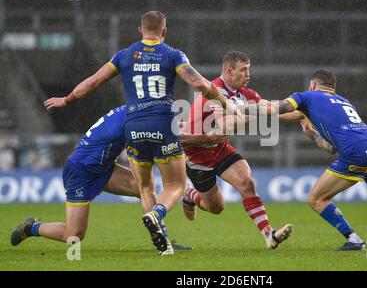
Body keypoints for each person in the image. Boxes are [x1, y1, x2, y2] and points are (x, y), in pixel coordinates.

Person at [44, 11, 231, 254]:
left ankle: (162, 242)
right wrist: (224, 102)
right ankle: (157, 215)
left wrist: (66, 100)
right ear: (164, 32)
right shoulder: (173, 54)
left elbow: (92, 82)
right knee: (175, 185)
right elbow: (199, 84)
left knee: (144, 188)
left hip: (133, 127)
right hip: (162, 123)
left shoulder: (124, 55)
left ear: (140, 31)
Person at [246, 69, 367, 251]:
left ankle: (354, 240)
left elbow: (279, 108)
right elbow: (331, 146)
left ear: (313, 84)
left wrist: (242, 108)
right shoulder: (343, 101)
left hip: (356, 152)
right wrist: (311, 133)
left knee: (316, 198)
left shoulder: (306, 96)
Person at [10, 105, 230, 256]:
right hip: (81, 171)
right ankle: (31, 228)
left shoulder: (135, 111)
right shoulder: (137, 118)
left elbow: (168, 131)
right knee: (74, 235)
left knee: (144, 187)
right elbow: (168, 136)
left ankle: (162, 241)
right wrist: (205, 139)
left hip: (104, 168)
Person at [181, 51, 299, 249]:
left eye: (248, 70)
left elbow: (271, 108)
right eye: (243, 70)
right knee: (216, 207)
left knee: (247, 182)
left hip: (219, 148)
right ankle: (189, 194)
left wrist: (303, 111)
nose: (248, 75)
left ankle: (269, 235)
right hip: (197, 155)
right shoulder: (213, 90)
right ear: (229, 71)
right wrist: (252, 114)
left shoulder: (243, 94)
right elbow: (225, 125)